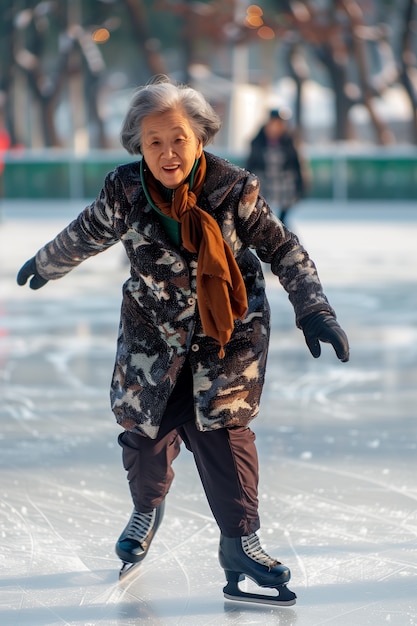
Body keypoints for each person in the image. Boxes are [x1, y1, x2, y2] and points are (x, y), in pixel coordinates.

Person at [17, 76, 349, 606]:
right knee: (145, 433)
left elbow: (283, 249)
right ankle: (147, 508)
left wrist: (314, 309)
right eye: (154, 142)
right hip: (153, 335)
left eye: (178, 139)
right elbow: (87, 231)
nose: (168, 153)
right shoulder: (124, 191)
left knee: (223, 433)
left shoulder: (234, 189)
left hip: (228, 335)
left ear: (200, 140)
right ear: (139, 146)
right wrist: (46, 263)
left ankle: (242, 543)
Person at [246, 108, 305, 226]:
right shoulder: (258, 141)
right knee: (261, 216)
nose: (274, 128)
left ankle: (281, 233)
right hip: (264, 183)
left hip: (285, 184)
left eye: (278, 124)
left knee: (283, 221)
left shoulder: (290, 141)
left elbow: (297, 165)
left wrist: (301, 184)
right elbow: (251, 164)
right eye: (272, 124)